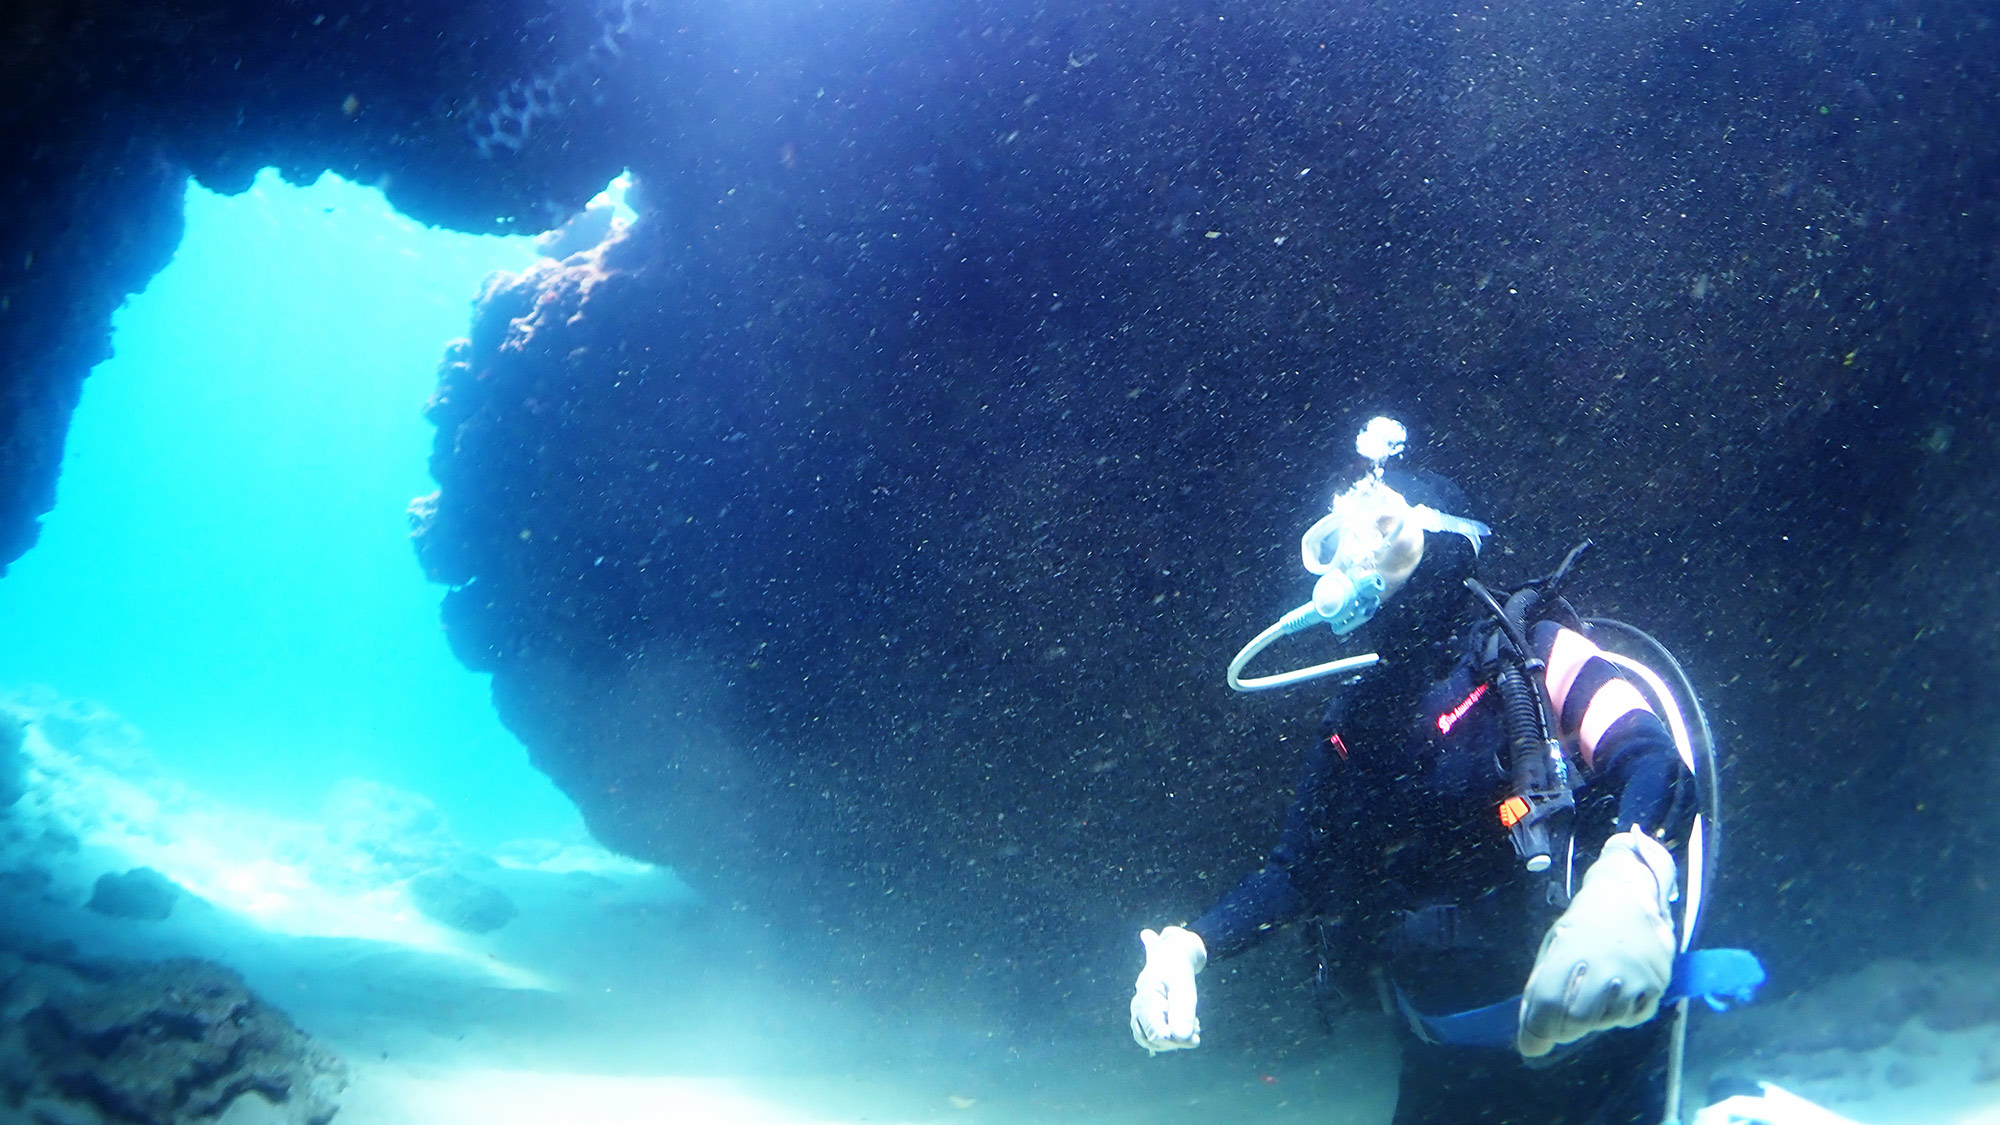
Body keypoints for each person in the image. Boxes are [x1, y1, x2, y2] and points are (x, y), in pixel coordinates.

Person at [1129, 418, 1700, 1125]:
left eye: (1382, 530)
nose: (1354, 560)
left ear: (1447, 538)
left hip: (1590, 1047)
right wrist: (1191, 946)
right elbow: (1295, 873)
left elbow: (1650, 755)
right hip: (1441, 1063)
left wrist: (1631, 876)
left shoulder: (1532, 654)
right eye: (1335, 542)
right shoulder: (1355, 721)